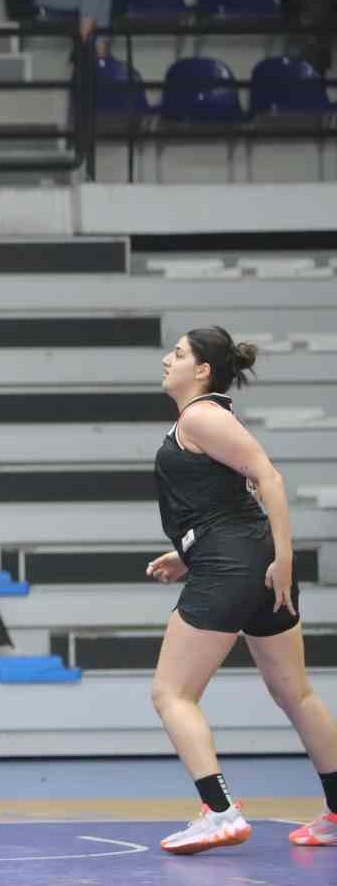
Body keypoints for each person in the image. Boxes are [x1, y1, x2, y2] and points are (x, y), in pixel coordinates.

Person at [148, 326, 337, 853]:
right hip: (241, 558)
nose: (168, 359)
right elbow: (223, 502)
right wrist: (189, 555)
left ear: (203, 370)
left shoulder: (200, 415)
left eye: (179, 353)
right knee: (294, 693)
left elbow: (267, 477)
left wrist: (283, 555)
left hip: (238, 563)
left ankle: (219, 811)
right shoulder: (204, 420)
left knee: (171, 693)